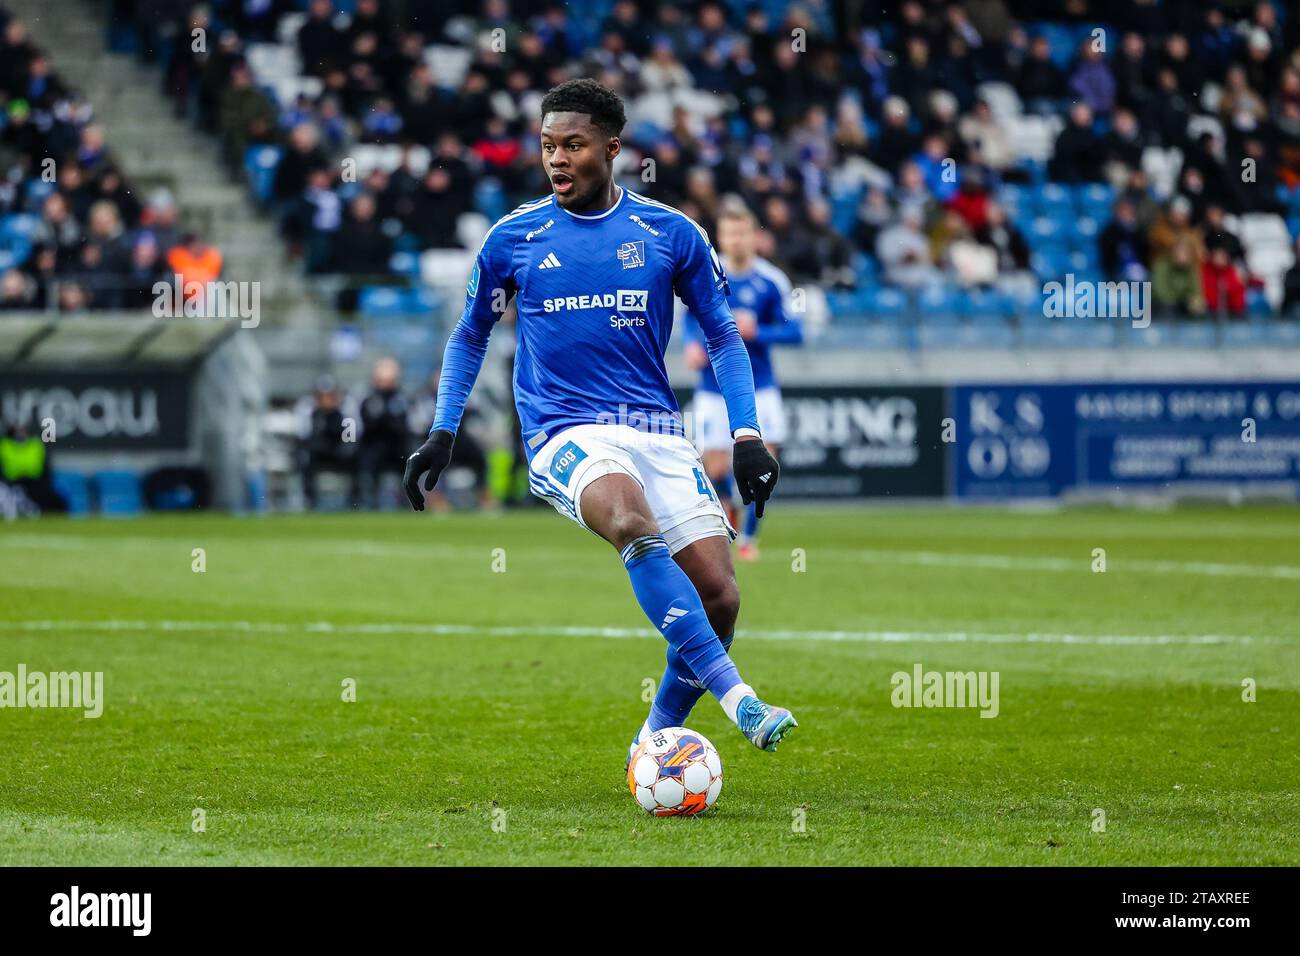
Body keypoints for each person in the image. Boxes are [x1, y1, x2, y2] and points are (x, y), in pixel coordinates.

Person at [402, 79, 796, 757]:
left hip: (658, 432)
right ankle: (741, 701)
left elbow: (726, 338)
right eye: (548, 145)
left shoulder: (672, 233)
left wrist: (746, 433)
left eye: (573, 145)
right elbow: (470, 335)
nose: (556, 158)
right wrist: (443, 429)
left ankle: (656, 736)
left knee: (721, 598)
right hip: (564, 433)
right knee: (629, 519)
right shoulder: (513, 237)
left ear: (612, 150)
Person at [683, 199, 802, 562]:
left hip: (760, 388)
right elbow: (690, 316)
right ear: (720, 236)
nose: (735, 239)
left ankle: (749, 540)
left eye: (741, 232)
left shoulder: (772, 280)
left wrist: (759, 332)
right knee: (713, 466)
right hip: (711, 388)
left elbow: (795, 332)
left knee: (762, 464)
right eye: (729, 233)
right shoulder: (706, 271)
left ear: (753, 236)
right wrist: (691, 343)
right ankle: (730, 512)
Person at [356, 357, 411, 509]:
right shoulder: (366, 398)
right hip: (373, 445)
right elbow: (360, 425)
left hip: (397, 446)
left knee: (411, 459)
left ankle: (408, 500)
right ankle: (366, 501)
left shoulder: (402, 399)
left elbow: (407, 426)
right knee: (365, 459)